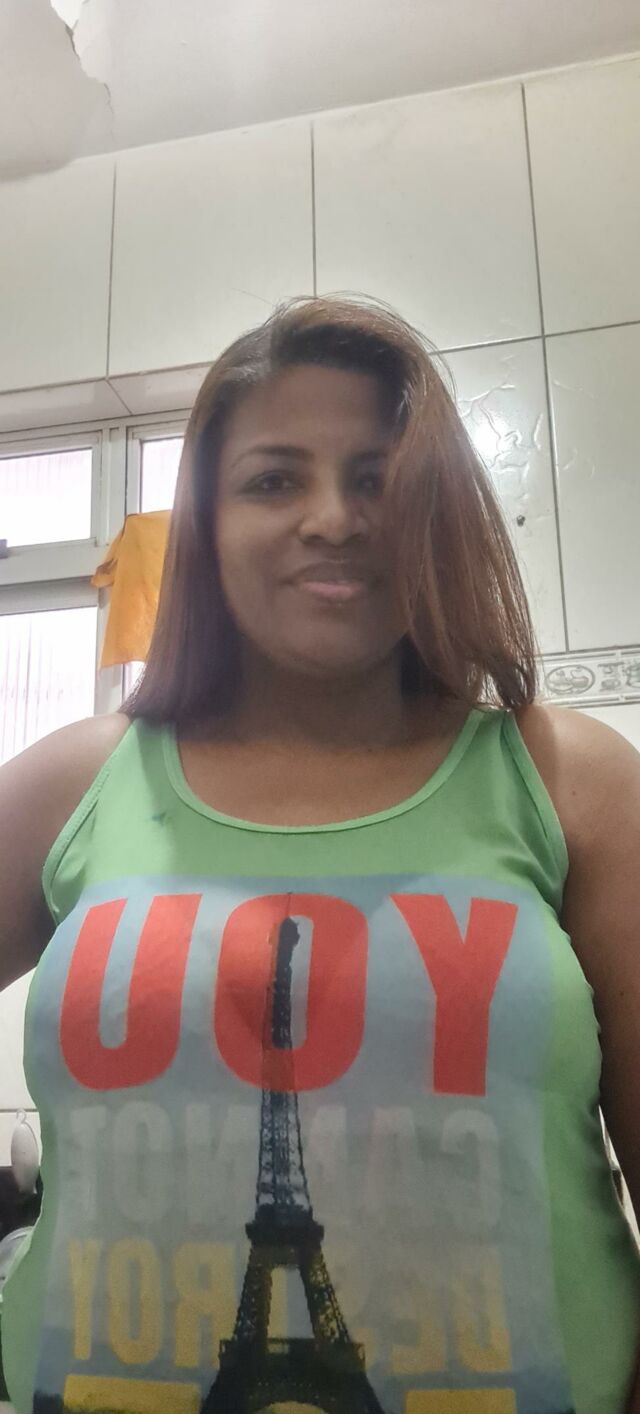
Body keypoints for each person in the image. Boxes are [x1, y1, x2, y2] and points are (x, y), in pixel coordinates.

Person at [0, 295, 639, 1414]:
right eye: (273, 480)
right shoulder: (71, 782)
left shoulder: (570, 779)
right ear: (205, 526)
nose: (333, 518)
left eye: (377, 478)